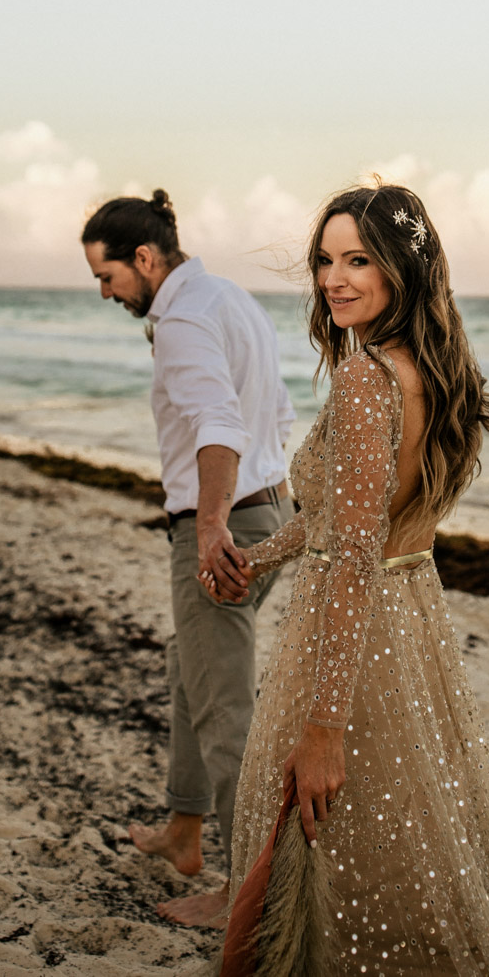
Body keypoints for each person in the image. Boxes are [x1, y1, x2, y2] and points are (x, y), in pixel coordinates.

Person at [205, 183, 489, 974]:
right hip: (412, 616)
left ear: (401, 268)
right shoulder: (435, 370)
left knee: (322, 820)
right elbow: (356, 520)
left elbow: (351, 556)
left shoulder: (367, 378)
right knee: (406, 827)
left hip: (351, 627)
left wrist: (323, 725)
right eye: (324, 260)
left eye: (358, 260)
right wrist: (262, 557)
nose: (334, 280)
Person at [81, 191, 295, 927]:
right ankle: (183, 829)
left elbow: (220, 421)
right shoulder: (229, 298)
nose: (106, 293)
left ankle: (250, 896)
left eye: (107, 277)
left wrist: (209, 528)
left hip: (225, 521)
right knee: (193, 671)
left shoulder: (180, 320)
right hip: (272, 505)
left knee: (222, 706)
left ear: (144, 258)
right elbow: (277, 409)